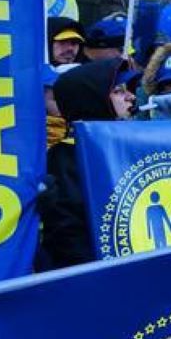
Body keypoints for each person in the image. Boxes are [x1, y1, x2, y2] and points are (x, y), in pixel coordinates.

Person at [37, 57, 136, 270]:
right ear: (93, 99)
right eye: (119, 91)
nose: (131, 97)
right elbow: (69, 236)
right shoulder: (64, 157)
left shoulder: (122, 144)